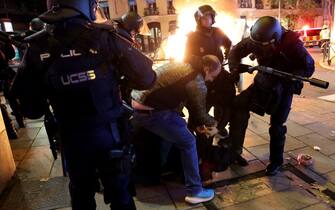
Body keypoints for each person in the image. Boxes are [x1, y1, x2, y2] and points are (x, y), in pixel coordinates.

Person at [11, 0, 156, 209]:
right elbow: (147, 79)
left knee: (81, 195)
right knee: (120, 195)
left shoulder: (37, 46)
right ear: (86, 5)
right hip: (109, 134)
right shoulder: (106, 37)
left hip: (72, 138)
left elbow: (31, 109)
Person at [228, 16, 315, 176]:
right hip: (262, 82)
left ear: (275, 38)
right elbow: (236, 50)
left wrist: (295, 75)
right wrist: (234, 68)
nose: (259, 47)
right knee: (238, 105)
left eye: (264, 46)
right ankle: (235, 151)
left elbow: (308, 67)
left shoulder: (292, 43)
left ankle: (276, 162)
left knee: (277, 127)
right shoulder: (257, 38)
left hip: (283, 88)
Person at [131, 55, 221, 204]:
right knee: (188, 141)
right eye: (213, 76)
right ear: (207, 68)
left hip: (138, 103)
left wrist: (194, 123)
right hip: (151, 111)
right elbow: (201, 114)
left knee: (177, 132)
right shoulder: (197, 81)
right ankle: (195, 191)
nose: (212, 80)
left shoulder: (183, 65)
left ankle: (163, 171)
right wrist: (216, 127)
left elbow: (177, 97)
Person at [184, 4, 247, 167]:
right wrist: (205, 63)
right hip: (204, 78)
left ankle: (230, 151)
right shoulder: (193, 37)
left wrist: (228, 55)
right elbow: (187, 58)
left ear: (213, 17)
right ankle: (201, 155)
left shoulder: (218, 31)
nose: (207, 20)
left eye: (209, 17)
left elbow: (229, 43)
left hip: (220, 76)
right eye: (204, 17)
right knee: (199, 118)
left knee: (230, 109)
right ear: (198, 19)